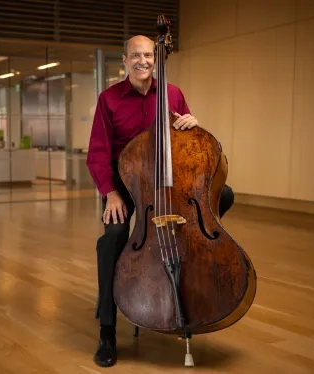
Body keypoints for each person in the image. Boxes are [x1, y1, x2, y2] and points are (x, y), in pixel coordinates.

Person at [86, 35, 235, 368]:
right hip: (126, 183)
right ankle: (107, 331)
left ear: (157, 59)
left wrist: (193, 125)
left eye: (149, 55)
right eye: (135, 55)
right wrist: (110, 193)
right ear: (124, 61)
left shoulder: (173, 93)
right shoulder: (108, 99)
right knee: (112, 236)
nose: (143, 61)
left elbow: (191, 144)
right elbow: (96, 155)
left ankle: (189, 257)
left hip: (168, 184)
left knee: (224, 195)